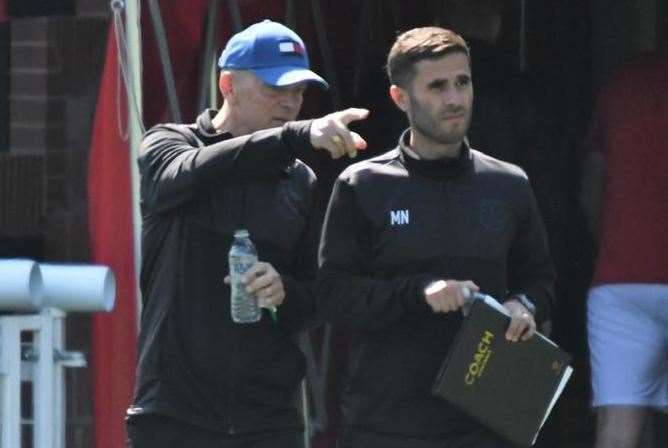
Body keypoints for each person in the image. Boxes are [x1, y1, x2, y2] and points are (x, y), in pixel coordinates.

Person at [126, 20, 367, 448]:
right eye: (275, 88)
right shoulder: (170, 144)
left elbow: (316, 297)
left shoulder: (300, 180)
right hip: (174, 414)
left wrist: (283, 291)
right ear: (228, 85)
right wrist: (293, 137)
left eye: (298, 92)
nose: (290, 103)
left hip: (267, 418)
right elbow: (177, 179)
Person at [316, 27, 555, 448]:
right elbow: (334, 295)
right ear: (400, 98)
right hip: (388, 423)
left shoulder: (508, 183)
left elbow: (541, 281)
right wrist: (419, 292)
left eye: (463, 82)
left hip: (488, 420)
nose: (455, 99)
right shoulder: (363, 185)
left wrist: (525, 304)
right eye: (437, 86)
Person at [581, 54, 668, 448]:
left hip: (620, 277)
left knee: (618, 429)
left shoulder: (621, 83)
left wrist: (614, 241)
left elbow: (590, 192)